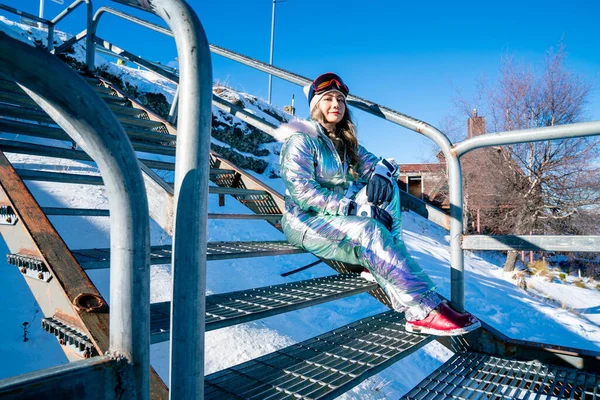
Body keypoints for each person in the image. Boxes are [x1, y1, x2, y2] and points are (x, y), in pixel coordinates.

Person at [276, 72, 480, 336]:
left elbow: (381, 166)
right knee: (368, 230)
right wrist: (352, 208)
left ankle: (384, 262)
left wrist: (384, 170)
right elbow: (303, 193)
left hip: (335, 215)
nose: (335, 104)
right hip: (305, 221)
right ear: (315, 105)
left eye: (340, 99)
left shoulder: (343, 142)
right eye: (327, 99)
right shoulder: (302, 140)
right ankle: (421, 311)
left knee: (388, 188)